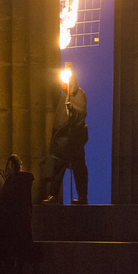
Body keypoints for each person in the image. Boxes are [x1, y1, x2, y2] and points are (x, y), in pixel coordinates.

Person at [44, 71, 88, 205]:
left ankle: (82, 196)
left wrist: (72, 110)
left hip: (74, 139)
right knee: (58, 167)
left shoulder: (79, 94)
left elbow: (80, 113)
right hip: (62, 141)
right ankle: (53, 195)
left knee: (79, 168)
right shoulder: (64, 96)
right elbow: (60, 116)